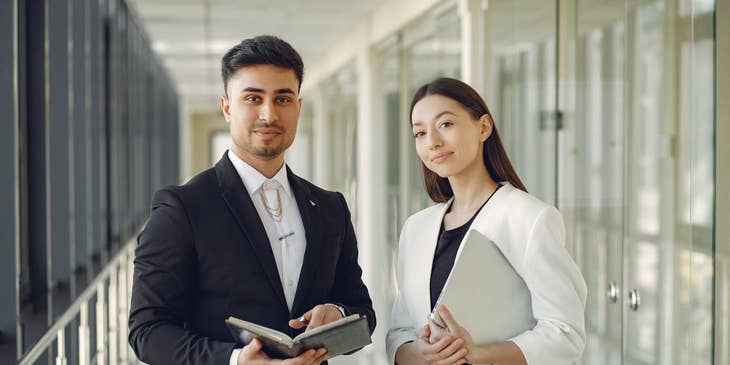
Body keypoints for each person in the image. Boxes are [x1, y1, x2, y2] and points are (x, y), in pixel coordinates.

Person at [128, 35, 375, 365]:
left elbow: (363, 314)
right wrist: (234, 360)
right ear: (227, 107)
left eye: (283, 99)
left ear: (299, 107)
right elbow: (147, 331)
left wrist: (339, 312)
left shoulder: (330, 208)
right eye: (253, 98)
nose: (269, 114)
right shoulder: (182, 208)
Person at [386, 78, 586, 365]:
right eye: (420, 133)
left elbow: (565, 332)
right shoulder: (415, 229)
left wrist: (479, 355)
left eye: (445, 124)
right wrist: (418, 354)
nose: (432, 142)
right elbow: (400, 331)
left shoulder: (529, 218)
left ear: (483, 127)